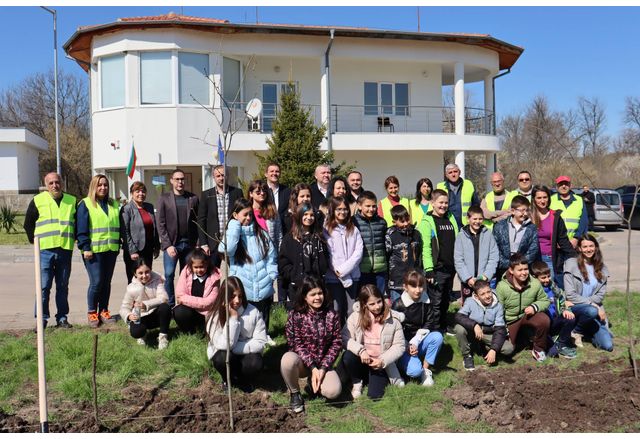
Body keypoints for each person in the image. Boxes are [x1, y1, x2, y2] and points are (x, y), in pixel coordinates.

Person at [281, 276, 343, 414]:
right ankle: (295, 393)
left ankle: (313, 384)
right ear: (304, 297)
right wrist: (313, 367)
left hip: (323, 365)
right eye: (312, 294)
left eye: (320, 293)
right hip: (302, 364)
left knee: (334, 392)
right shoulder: (295, 315)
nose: (317, 297)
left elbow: (336, 343)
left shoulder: (332, 315)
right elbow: (295, 344)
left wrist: (322, 368)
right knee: (287, 360)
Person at [23, 172, 76, 330]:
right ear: (46, 185)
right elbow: (28, 224)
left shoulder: (71, 200)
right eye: (51, 183)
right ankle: (42, 320)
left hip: (65, 249)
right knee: (43, 287)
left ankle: (62, 318)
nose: (55, 185)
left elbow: (77, 223)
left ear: (62, 183)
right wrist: (35, 241)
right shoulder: (38, 200)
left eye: (57, 182)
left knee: (62, 286)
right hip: (45, 250)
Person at [218, 198, 278, 336]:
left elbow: (271, 256)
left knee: (262, 318)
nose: (248, 218)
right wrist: (234, 227)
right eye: (245, 214)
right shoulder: (232, 235)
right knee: (245, 320)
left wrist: (271, 275)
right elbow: (227, 250)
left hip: (263, 283)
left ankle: (263, 337)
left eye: (250, 214)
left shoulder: (261, 234)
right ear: (235, 215)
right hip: (243, 287)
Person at [342, 284, 406, 400]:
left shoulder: (393, 319)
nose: (377, 307)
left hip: (379, 362)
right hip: (361, 358)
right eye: (372, 304)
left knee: (374, 396)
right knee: (348, 356)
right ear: (364, 304)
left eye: (379, 302)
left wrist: (382, 361)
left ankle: (371, 378)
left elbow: (399, 345)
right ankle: (357, 382)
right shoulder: (355, 316)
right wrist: (361, 351)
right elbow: (345, 337)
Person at [206, 276, 267, 392]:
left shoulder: (253, 312)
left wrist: (236, 348)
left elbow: (261, 342)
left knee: (256, 363)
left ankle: (245, 380)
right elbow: (223, 346)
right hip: (226, 354)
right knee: (221, 358)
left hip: (246, 354)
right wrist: (233, 318)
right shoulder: (214, 315)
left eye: (240, 296)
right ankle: (227, 379)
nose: (237, 301)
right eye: (232, 296)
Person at [76, 174, 120, 327]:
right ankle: (92, 313)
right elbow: (81, 229)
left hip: (111, 249)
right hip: (93, 251)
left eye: (105, 185)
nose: (103, 188)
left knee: (106, 282)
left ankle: (104, 311)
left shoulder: (114, 204)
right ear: (93, 186)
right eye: (99, 185)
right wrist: (85, 247)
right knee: (97, 282)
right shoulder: (85, 204)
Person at [416, 189, 458, 332]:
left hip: (450, 268)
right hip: (436, 269)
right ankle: (435, 330)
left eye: (446, 203)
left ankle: (444, 325)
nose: (443, 205)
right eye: (440, 202)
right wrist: (429, 270)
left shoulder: (451, 218)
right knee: (436, 302)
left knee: (446, 299)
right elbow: (426, 249)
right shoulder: (427, 222)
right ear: (432, 203)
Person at [392, 270, 444, 386]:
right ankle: (400, 364)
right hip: (403, 345)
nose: (418, 290)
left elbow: (430, 323)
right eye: (413, 286)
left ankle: (425, 370)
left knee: (438, 336)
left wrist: (416, 341)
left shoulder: (426, 300)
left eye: (421, 286)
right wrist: (407, 346)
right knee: (414, 371)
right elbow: (395, 331)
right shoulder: (398, 304)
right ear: (405, 287)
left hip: (419, 341)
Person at [495, 253, 551, 362]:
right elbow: (498, 310)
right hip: (510, 320)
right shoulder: (502, 286)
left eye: (526, 269)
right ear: (511, 270)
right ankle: (522, 339)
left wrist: (534, 307)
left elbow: (545, 300)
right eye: (519, 270)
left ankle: (538, 349)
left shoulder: (534, 283)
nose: (524, 273)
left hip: (526, 316)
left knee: (544, 320)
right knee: (507, 351)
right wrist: (502, 327)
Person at [563, 235, 613, 352]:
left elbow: (600, 295)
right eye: (585, 246)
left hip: (592, 309)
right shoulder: (571, 264)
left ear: (596, 247)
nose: (588, 249)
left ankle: (586, 330)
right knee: (591, 310)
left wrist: (593, 304)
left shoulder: (602, 268)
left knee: (607, 345)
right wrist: (592, 304)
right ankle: (577, 332)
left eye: (591, 246)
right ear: (579, 248)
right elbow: (570, 294)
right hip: (575, 306)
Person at [157, 169, 199, 306]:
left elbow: (198, 222)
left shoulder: (193, 198)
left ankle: (183, 304)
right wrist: (167, 245)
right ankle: (170, 305)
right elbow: (160, 224)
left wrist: (198, 243)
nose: (180, 182)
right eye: (177, 179)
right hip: (172, 245)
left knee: (186, 276)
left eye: (182, 179)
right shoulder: (164, 199)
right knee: (169, 274)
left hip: (189, 245)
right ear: (171, 181)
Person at [453, 280, 514, 371]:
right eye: (483, 294)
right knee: (459, 328)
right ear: (477, 297)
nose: (487, 296)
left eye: (488, 292)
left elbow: (500, 329)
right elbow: (459, 316)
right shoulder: (470, 301)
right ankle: (467, 355)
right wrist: (474, 325)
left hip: (488, 332)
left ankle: (485, 347)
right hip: (473, 331)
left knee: (509, 349)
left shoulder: (498, 305)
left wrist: (494, 349)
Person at [278, 202, 329, 305]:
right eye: (305, 214)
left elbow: (326, 257)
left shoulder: (319, 236)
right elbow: (283, 263)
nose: (309, 217)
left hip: (316, 285)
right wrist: (294, 275)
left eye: (311, 215)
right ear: (299, 216)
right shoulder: (289, 239)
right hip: (297, 287)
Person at [324, 196, 364, 324]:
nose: (342, 212)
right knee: (336, 310)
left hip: (353, 276)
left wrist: (344, 271)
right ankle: (337, 339)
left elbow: (358, 252)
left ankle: (351, 339)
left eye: (345, 209)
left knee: (352, 310)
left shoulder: (354, 229)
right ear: (333, 210)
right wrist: (339, 273)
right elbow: (329, 254)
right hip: (334, 278)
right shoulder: (327, 229)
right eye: (338, 209)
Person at [530, 185, 576, 288]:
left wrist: (576, 258)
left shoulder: (555, 217)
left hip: (549, 260)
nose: (542, 201)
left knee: (550, 290)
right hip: (532, 260)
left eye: (545, 197)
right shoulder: (528, 217)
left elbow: (563, 241)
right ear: (533, 199)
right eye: (539, 198)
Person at [119, 259, 171, 349]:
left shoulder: (157, 280)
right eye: (140, 273)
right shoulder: (131, 288)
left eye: (147, 272)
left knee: (165, 307)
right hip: (141, 317)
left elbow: (164, 298)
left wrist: (146, 304)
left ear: (150, 270)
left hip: (156, 315)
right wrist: (129, 315)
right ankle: (142, 335)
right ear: (135, 274)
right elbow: (124, 307)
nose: (144, 276)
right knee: (136, 332)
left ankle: (163, 337)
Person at [197, 165, 243, 266]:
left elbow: (242, 216)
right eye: (218, 176)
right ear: (214, 177)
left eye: (223, 175)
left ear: (228, 176)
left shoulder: (237, 193)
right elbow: (201, 220)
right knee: (213, 276)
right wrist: (203, 243)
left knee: (235, 273)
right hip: (213, 243)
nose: (221, 178)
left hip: (232, 240)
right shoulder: (206, 195)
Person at [530, 261, 577, 359]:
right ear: (534, 278)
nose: (547, 280)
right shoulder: (532, 290)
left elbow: (562, 298)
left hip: (554, 321)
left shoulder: (553, 286)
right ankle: (545, 342)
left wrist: (566, 309)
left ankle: (562, 344)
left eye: (548, 276)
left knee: (570, 318)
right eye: (543, 278)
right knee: (553, 353)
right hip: (543, 326)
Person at [454, 206, 499, 305]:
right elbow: (458, 260)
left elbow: (493, 256)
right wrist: (467, 278)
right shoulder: (461, 236)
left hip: (483, 279)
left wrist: (486, 275)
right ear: (468, 219)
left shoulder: (488, 235)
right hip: (468, 281)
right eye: (474, 219)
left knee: (485, 304)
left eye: (480, 219)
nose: (477, 221)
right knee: (468, 305)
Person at [492, 195, 539, 283]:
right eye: (521, 210)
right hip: (503, 270)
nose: (524, 213)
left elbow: (533, 251)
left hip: (522, 272)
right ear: (513, 211)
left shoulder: (532, 228)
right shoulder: (499, 226)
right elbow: (495, 249)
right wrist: (508, 264)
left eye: (527, 210)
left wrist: (519, 267)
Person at [120, 181, 160, 283]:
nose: (140, 194)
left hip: (148, 249)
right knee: (134, 280)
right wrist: (132, 250)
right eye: (137, 191)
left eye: (143, 191)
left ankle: (145, 299)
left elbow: (154, 227)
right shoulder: (127, 209)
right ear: (132, 193)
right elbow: (125, 232)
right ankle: (134, 299)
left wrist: (156, 246)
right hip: (134, 251)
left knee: (147, 278)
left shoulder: (149, 207)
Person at [174, 248, 221, 333]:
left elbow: (209, 302)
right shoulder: (185, 273)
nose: (199, 270)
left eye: (201, 267)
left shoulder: (215, 277)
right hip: (191, 311)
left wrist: (186, 300)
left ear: (207, 264)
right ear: (191, 266)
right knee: (179, 311)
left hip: (207, 313)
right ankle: (189, 331)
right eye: (196, 267)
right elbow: (179, 294)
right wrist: (185, 300)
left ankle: (203, 328)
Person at [353, 191, 388, 297]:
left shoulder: (382, 222)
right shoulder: (353, 222)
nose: (371, 209)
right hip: (362, 270)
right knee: (365, 299)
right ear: (359, 206)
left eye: (373, 206)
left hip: (380, 268)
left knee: (379, 298)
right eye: (367, 206)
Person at [385, 205, 422, 303]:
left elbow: (419, 254)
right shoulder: (390, 235)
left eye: (407, 220)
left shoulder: (416, 234)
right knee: (397, 308)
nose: (406, 223)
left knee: (412, 307)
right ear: (394, 222)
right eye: (402, 221)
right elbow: (387, 256)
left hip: (413, 279)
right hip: (397, 280)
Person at [436, 163, 480, 229]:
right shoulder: (440, 186)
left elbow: (476, 205)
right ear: (446, 175)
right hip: (446, 225)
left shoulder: (468, 185)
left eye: (455, 171)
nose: (453, 174)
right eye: (450, 172)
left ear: (459, 172)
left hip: (466, 225)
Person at [549, 175, 588, 246]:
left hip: (575, 242)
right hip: (556, 242)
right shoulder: (551, 200)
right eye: (561, 184)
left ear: (570, 186)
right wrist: (555, 240)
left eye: (566, 184)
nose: (564, 186)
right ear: (557, 187)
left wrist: (576, 238)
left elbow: (584, 222)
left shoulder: (579, 200)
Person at [247, 179, 282, 249]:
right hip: (252, 252)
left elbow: (279, 236)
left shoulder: (272, 211)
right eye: (258, 192)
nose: (262, 193)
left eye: (264, 191)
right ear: (251, 194)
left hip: (271, 252)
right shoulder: (246, 212)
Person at [264, 162, 291, 228]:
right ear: (266, 174)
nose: (274, 173)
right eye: (272, 171)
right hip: (265, 228)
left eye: (277, 171)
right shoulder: (262, 190)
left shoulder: (287, 191)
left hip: (283, 228)